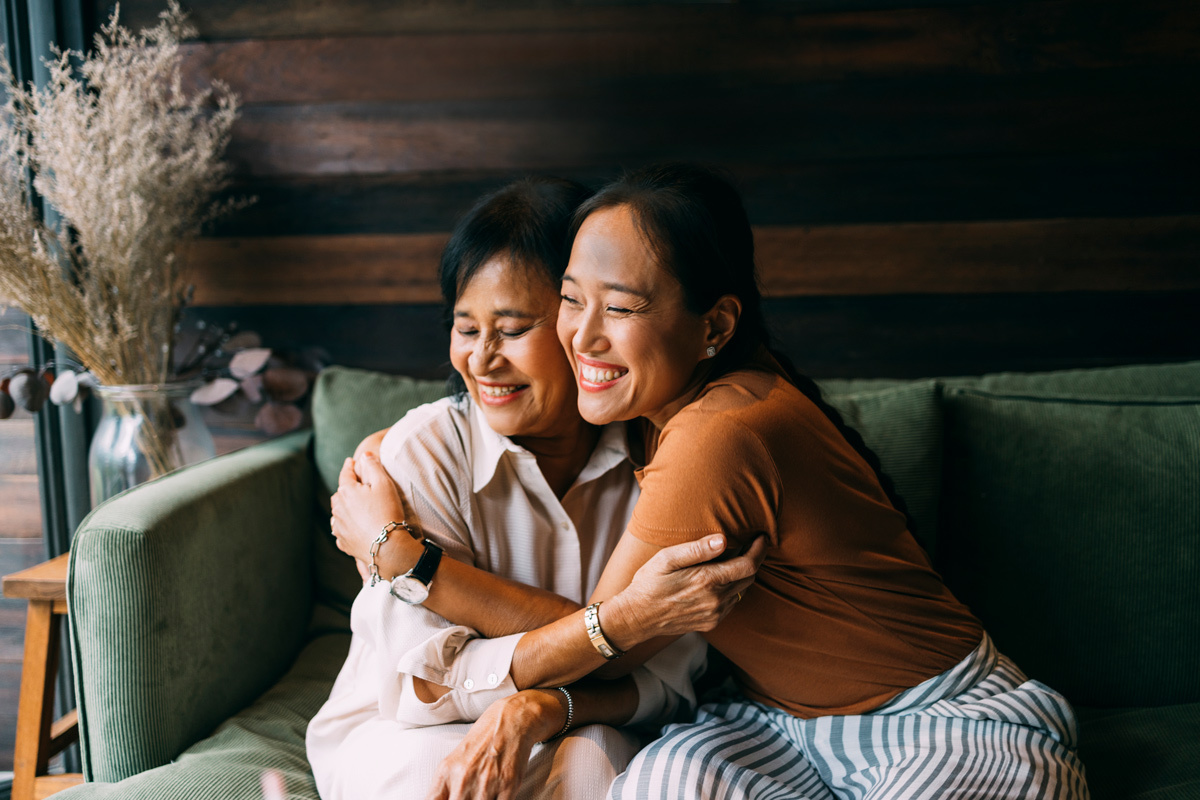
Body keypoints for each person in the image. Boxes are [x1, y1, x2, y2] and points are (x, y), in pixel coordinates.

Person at [347, 164, 1090, 799]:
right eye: (571, 299)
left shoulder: (717, 434)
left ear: (715, 326)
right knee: (664, 781)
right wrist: (395, 445)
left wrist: (408, 560)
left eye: (622, 307)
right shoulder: (649, 407)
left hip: (933, 718)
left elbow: (604, 638)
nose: (585, 335)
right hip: (777, 724)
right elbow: (612, 623)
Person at [307, 176, 759, 800]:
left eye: (514, 329)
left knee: (594, 764)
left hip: (584, 721)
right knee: (432, 777)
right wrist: (622, 627)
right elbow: (429, 683)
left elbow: (665, 682)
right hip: (404, 729)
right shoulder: (417, 458)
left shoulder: (669, 454)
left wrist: (541, 705)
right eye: (466, 329)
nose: (482, 360)